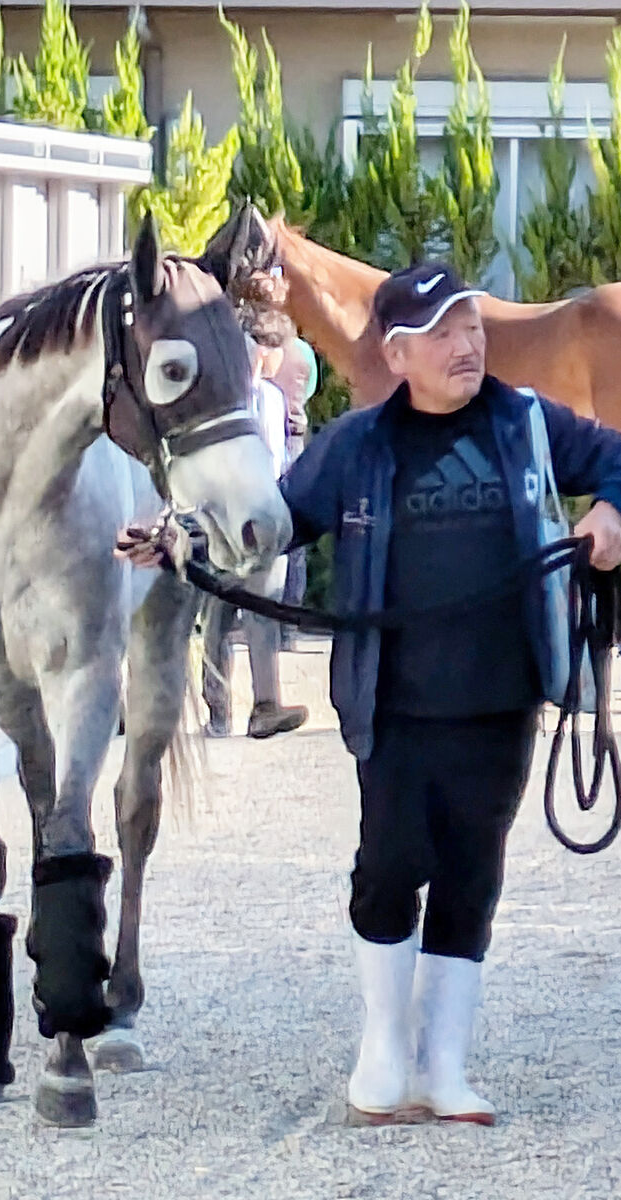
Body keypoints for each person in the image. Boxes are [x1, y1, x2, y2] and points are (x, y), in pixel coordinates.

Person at [115, 260, 621, 1125]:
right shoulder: (357, 445)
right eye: (444, 334)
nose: (468, 346)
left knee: (472, 876)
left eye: (471, 328)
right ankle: (384, 1049)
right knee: (386, 873)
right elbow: (273, 520)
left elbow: (616, 459)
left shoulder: (525, 423)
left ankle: (445, 1066)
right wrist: (183, 537)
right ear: (399, 352)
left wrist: (608, 509)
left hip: (501, 701)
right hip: (393, 704)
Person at [199, 278, 308, 740]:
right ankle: (247, 706)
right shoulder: (252, 397)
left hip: (236, 517)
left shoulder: (250, 396)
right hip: (244, 517)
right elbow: (273, 462)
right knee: (243, 613)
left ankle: (234, 709)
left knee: (229, 616)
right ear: (265, 350)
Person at [270, 338, 319, 638]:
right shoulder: (304, 352)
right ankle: (291, 620)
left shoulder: (259, 347)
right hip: (296, 437)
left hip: (269, 433)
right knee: (296, 530)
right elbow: (311, 385)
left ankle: (263, 611)